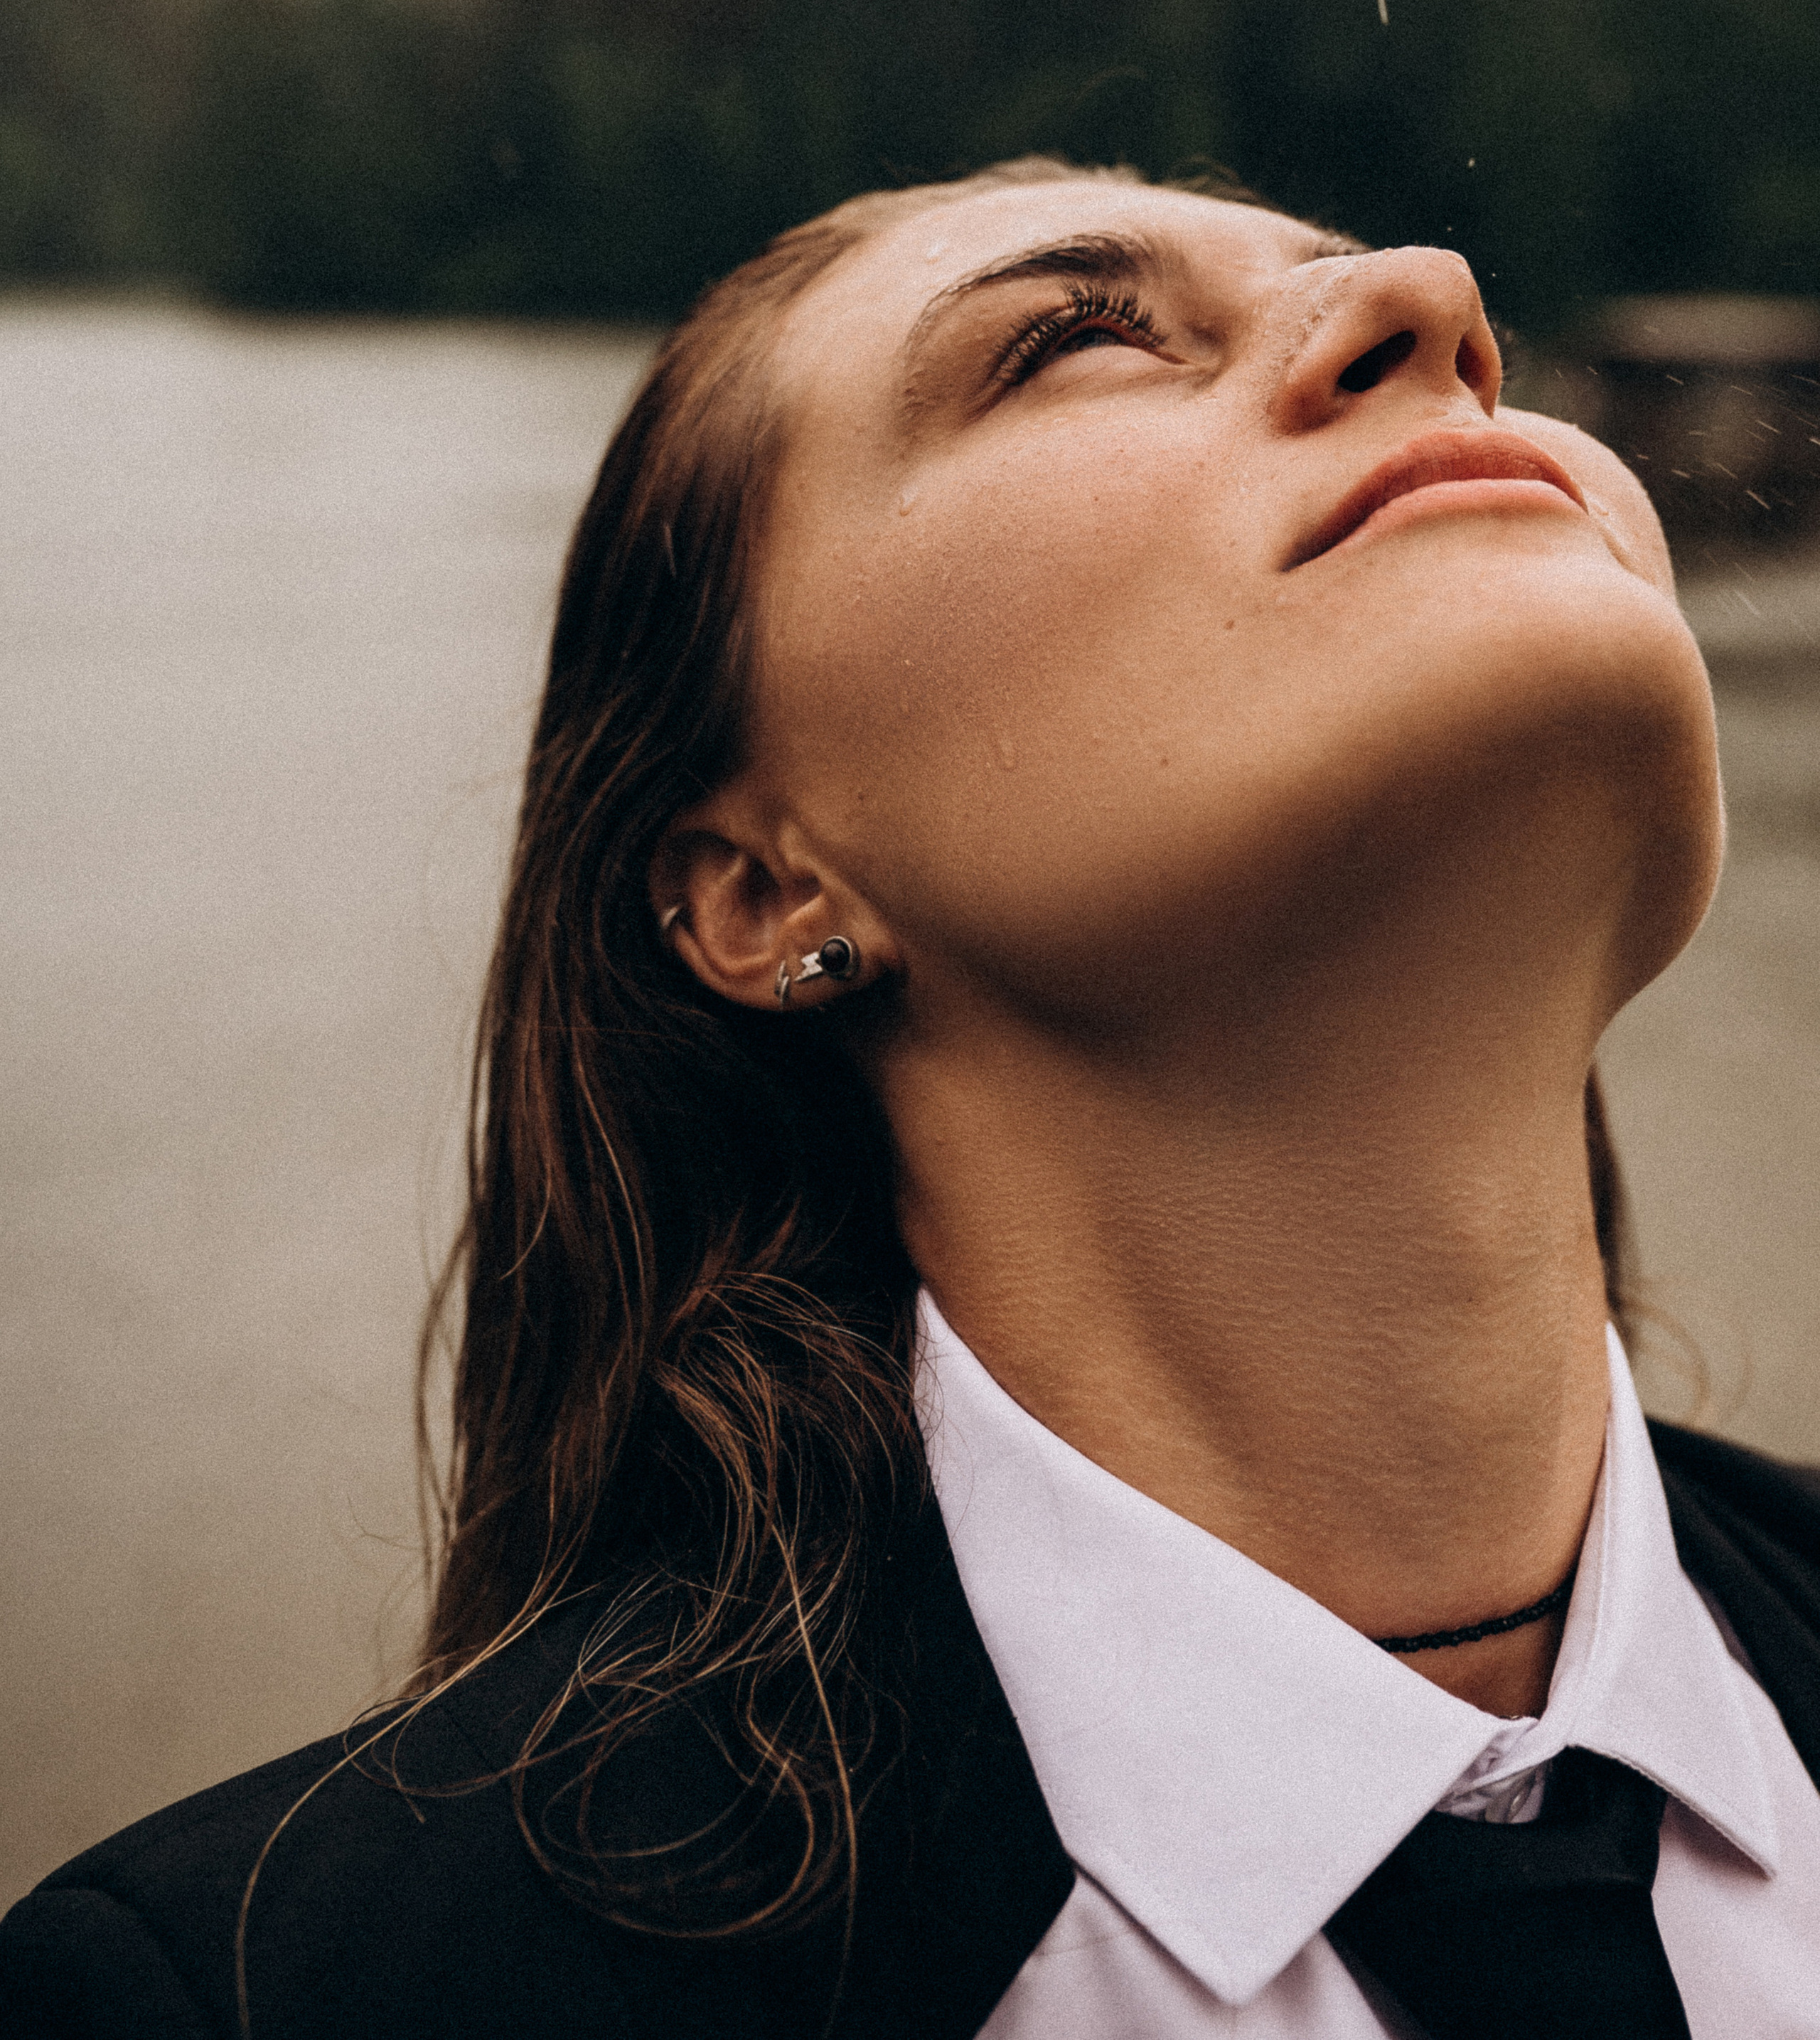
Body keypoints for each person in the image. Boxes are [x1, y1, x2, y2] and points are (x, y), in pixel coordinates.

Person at [4, 159, 1818, 2039]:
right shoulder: (255, 1999)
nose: (1432, 298)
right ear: (767, 887)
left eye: (1436, 313)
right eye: (1075, 340)